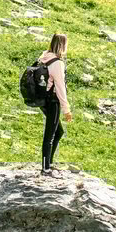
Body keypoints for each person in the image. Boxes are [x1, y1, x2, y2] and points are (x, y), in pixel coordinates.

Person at [39, 32, 72, 174]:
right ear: (62, 45)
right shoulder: (57, 63)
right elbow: (60, 88)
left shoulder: (44, 56)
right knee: (50, 134)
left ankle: (49, 163)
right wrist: (66, 110)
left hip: (43, 99)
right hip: (53, 101)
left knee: (58, 131)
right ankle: (46, 168)